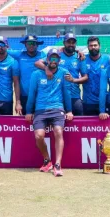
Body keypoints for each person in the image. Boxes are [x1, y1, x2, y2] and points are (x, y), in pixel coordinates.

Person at [26, 48, 73, 176]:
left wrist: (69, 111)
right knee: (39, 136)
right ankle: (47, 160)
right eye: (51, 58)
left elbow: (66, 93)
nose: (53, 61)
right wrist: (29, 111)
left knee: (58, 132)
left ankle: (58, 164)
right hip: (40, 109)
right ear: (47, 60)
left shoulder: (64, 72)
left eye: (56, 58)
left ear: (59, 60)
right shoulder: (36, 74)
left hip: (57, 108)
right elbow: (32, 94)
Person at [0, 35, 46, 115]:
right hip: (24, 96)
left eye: (33, 43)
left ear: (37, 45)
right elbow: (1, 50)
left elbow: (54, 61)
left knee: (42, 120)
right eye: (29, 43)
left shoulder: (43, 55)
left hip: (41, 95)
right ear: (25, 44)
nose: (31, 45)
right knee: (26, 122)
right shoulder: (19, 55)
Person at [35, 33, 88, 115]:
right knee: (59, 123)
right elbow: (37, 63)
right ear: (64, 43)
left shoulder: (80, 57)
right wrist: (46, 69)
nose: (71, 44)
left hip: (74, 96)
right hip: (59, 97)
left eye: (73, 42)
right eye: (68, 42)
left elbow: (85, 77)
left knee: (79, 122)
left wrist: (73, 80)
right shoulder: (57, 55)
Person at [0, 37, 21, 115]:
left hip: (7, 100)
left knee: (6, 126)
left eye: (2, 44)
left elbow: (16, 83)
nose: (0, 47)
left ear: (7, 46)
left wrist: (18, 102)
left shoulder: (13, 62)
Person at [83, 36, 110, 116]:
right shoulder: (83, 59)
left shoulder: (107, 59)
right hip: (88, 102)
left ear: (99, 46)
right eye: (91, 46)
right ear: (88, 47)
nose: (93, 47)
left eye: (95, 45)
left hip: (105, 100)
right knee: (88, 127)